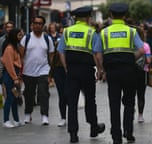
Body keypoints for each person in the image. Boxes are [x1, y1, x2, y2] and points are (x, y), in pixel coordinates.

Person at [95, 3, 145, 144]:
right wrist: (130, 58)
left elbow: (98, 54)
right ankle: (128, 132)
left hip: (112, 72)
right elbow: (142, 50)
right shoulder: (131, 31)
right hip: (129, 71)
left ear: (111, 15)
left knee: (114, 103)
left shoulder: (104, 32)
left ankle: (116, 136)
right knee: (129, 102)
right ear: (125, 16)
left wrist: (101, 70)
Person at [57, 6, 105, 143]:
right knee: (90, 99)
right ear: (87, 18)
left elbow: (61, 51)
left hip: (72, 70)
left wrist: (66, 67)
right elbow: (96, 54)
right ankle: (93, 128)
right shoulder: (92, 32)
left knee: (71, 102)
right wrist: (100, 70)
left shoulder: (67, 31)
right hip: (87, 70)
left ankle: (73, 134)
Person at [19, 16, 55, 125]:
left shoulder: (47, 39)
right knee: (29, 93)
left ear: (43, 26)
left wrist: (50, 73)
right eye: (36, 23)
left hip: (43, 70)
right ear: (32, 25)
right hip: (28, 71)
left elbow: (51, 56)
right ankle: (28, 113)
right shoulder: (26, 38)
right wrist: (20, 72)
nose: (38, 25)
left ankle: (44, 115)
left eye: (40, 23)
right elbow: (20, 55)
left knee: (43, 92)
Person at [1, 28, 23, 128]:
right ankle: (6, 120)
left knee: (14, 98)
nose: (21, 37)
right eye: (19, 35)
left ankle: (16, 119)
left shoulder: (15, 47)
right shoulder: (9, 48)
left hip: (14, 75)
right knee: (10, 98)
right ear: (14, 36)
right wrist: (15, 78)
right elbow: (9, 65)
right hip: (10, 76)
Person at [47, 22, 67, 127]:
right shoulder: (57, 44)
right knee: (62, 95)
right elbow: (53, 60)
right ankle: (63, 117)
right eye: (61, 33)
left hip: (69, 71)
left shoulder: (72, 44)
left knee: (69, 95)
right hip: (59, 71)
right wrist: (50, 75)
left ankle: (70, 116)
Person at [0, 21, 15, 101]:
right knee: (4, 84)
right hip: (5, 66)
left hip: (15, 66)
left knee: (15, 84)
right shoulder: (2, 40)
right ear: (5, 29)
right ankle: (7, 100)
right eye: (8, 27)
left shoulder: (17, 39)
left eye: (11, 27)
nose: (9, 29)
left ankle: (16, 97)